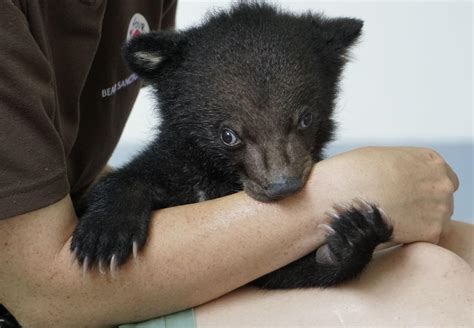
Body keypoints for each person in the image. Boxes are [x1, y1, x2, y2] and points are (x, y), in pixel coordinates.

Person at [0, 1, 472, 327]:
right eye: (231, 137)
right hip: (43, 301)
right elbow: (42, 292)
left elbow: (77, 174)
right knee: (432, 278)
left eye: (302, 122)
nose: (281, 170)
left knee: (460, 244)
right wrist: (343, 188)